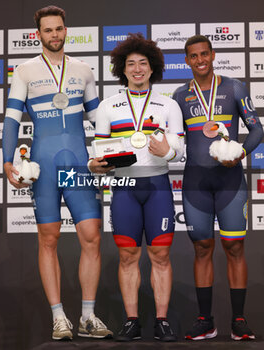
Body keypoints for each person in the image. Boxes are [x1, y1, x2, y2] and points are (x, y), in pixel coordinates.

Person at [2, 5, 113, 341]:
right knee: (48, 238)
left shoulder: (83, 70)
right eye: (48, 30)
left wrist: (123, 146)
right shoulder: (23, 71)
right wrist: (7, 161)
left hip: (79, 163)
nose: (54, 35)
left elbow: (99, 119)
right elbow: (10, 120)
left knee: (92, 236)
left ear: (67, 31)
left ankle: (88, 317)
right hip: (45, 165)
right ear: (38, 35)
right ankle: (58, 317)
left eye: (59, 29)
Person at [89, 33, 184, 342]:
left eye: (143, 63)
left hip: (157, 184)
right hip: (125, 186)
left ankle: (162, 321)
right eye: (131, 64)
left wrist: (167, 153)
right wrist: (96, 164)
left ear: (152, 67)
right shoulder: (108, 106)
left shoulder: (168, 105)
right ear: (122, 68)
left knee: (160, 254)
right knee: (128, 255)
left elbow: (180, 148)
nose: (138, 69)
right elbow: (99, 150)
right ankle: (132, 320)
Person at [173, 35, 264, 341]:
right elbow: (174, 139)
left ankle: (238, 320)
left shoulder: (234, 87)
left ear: (213, 55)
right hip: (196, 183)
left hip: (230, 181)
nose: (200, 60)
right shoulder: (178, 95)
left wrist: (240, 153)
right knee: (202, 247)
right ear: (186, 61)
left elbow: (257, 129)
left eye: (204, 54)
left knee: (235, 247)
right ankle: (205, 321)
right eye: (193, 56)